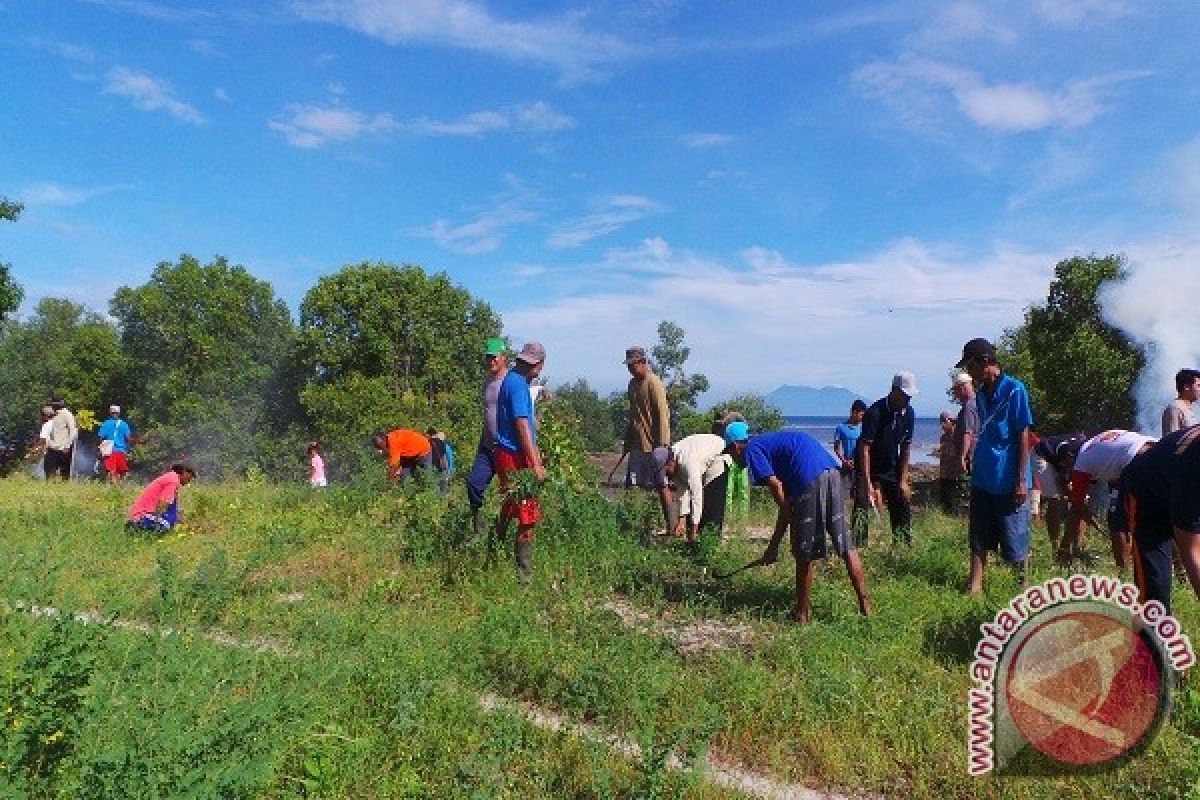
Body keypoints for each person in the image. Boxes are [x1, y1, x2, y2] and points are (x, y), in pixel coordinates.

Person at [725, 421, 872, 624]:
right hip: (833, 473)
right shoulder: (767, 444)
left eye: (730, 453)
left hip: (810, 478)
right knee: (847, 547)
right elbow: (785, 504)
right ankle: (866, 607)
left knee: (804, 553)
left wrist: (793, 523)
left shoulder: (751, 450)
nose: (733, 458)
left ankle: (802, 615)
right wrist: (774, 546)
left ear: (735, 446)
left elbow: (777, 490)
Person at [957, 338, 1034, 595]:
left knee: (1016, 537)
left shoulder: (1015, 390)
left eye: (971, 365)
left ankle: (1021, 588)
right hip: (984, 476)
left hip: (1009, 477)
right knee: (978, 535)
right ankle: (975, 585)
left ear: (985, 362)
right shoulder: (979, 394)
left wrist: (1021, 479)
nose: (970, 373)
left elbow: (1023, 433)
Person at [1123, 424, 1200, 613]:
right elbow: (1192, 551)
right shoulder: (1191, 472)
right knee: (1154, 590)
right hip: (1147, 498)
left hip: (1173, 476)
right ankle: (1150, 638)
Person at [1059, 429, 1155, 570]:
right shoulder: (1099, 444)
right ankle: (1180, 571)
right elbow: (1115, 481)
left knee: (1117, 522)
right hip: (1158, 450)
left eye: (1066, 465)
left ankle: (1123, 573)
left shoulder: (1082, 460)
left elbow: (1075, 509)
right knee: (1162, 517)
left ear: (1070, 456)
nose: (1068, 470)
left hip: (1136, 460)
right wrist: (1086, 512)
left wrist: (1064, 547)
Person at [493, 341, 548, 583]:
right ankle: (524, 575)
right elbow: (522, 425)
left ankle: (493, 554)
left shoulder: (514, 380)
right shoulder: (517, 386)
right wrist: (535, 463)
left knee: (509, 507)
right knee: (527, 513)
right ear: (538, 365)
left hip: (507, 453)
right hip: (515, 457)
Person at [855, 373, 918, 547]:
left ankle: (902, 543)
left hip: (891, 463)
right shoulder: (874, 412)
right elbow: (864, 448)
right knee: (862, 503)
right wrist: (868, 484)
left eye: (910, 395)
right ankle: (859, 546)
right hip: (867, 463)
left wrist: (903, 479)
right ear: (894, 391)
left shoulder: (909, 413)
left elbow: (906, 446)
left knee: (901, 499)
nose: (908, 398)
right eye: (905, 395)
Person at [622, 346, 676, 536]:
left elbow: (663, 414)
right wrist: (627, 440)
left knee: (661, 485)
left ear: (643, 362)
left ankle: (672, 527)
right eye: (628, 365)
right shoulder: (632, 385)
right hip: (638, 443)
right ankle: (634, 527)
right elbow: (633, 416)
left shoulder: (654, 383)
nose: (630, 369)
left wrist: (662, 446)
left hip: (655, 444)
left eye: (633, 365)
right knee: (633, 485)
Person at [466, 337, 508, 538]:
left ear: (503, 357)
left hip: (505, 448)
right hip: (486, 447)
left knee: (508, 494)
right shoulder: (487, 383)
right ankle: (479, 531)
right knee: (474, 484)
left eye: (494, 357)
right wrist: (481, 444)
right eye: (488, 357)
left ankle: (502, 536)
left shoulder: (510, 382)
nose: (490, 360)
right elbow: (487, 415)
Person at [665, 432, 730, 548]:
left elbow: (697, 497)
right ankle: (695, 539)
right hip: (699, 451)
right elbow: (682, 493)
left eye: (666, 470)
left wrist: (694, 530)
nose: (666, 474)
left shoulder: (690, 464)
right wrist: (681, 520)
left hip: (719, 454)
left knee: (711, 505)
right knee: (695, 511)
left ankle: (710, 544)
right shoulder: (673, 456)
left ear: (671, 461)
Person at [1030, 434, 1086, 555]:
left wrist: (1079, 502)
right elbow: (1061, 480)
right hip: (1042, 455)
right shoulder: (1067, 450)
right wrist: (1070, 494)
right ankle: (1056, 546)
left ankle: (1077, 547)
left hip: (1060, 462)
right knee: (1054, 497)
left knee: (1082, 502)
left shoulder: (1089, 457)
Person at [126, 464, 196, 534]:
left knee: (168, 523)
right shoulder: (173, 480)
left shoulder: (171, 477)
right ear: (185, 473)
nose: (188, 482)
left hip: (140, 517)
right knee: (165, 526)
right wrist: (157, 521)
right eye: (189, 478)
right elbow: (163, 502)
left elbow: (172, 507)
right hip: (140, 518)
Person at [96, 404, 137, 485]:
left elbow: (100, 438)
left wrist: (99, 449)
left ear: (110, 413)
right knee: (120, 472)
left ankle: (113, 488)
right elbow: (128, 439)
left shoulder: (106, 424)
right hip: (121, 451)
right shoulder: (124, 424)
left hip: (109, 452)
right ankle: (119, 487)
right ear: (119, 413)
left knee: (111, 472)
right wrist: (138, 441)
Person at [833, 399, 866, 497]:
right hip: (847, 464)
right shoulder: (841, 427)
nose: (861, 418)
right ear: (854, 412)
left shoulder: (863, 428)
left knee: (860, 494)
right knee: (844, 494)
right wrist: (844, 461)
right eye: (861, 415)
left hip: (860, 464)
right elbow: (836, 448)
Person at [43, 398, 78, 481]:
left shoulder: (67, 414)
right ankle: (50, 486)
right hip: (52, 447)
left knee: (64, 471)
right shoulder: (52, 414)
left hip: (63, 448)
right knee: (49, 469)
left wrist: (68, 445)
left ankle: (64, 487)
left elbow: (73, 431)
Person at [1162, 368, 1200, 436]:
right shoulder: (1175, 408)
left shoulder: (1186, 408)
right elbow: (1171, 440)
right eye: (1198, 386)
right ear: (1187, 387)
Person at [937, 411, 960, 514]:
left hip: (954, 474)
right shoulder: (944, 437)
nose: (942, 425)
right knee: (944, 501)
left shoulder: (958, 436)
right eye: (941, 422)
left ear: (951, 421)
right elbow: (943, 455)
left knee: (953, 500)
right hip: (944, 474)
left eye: (945, 421)